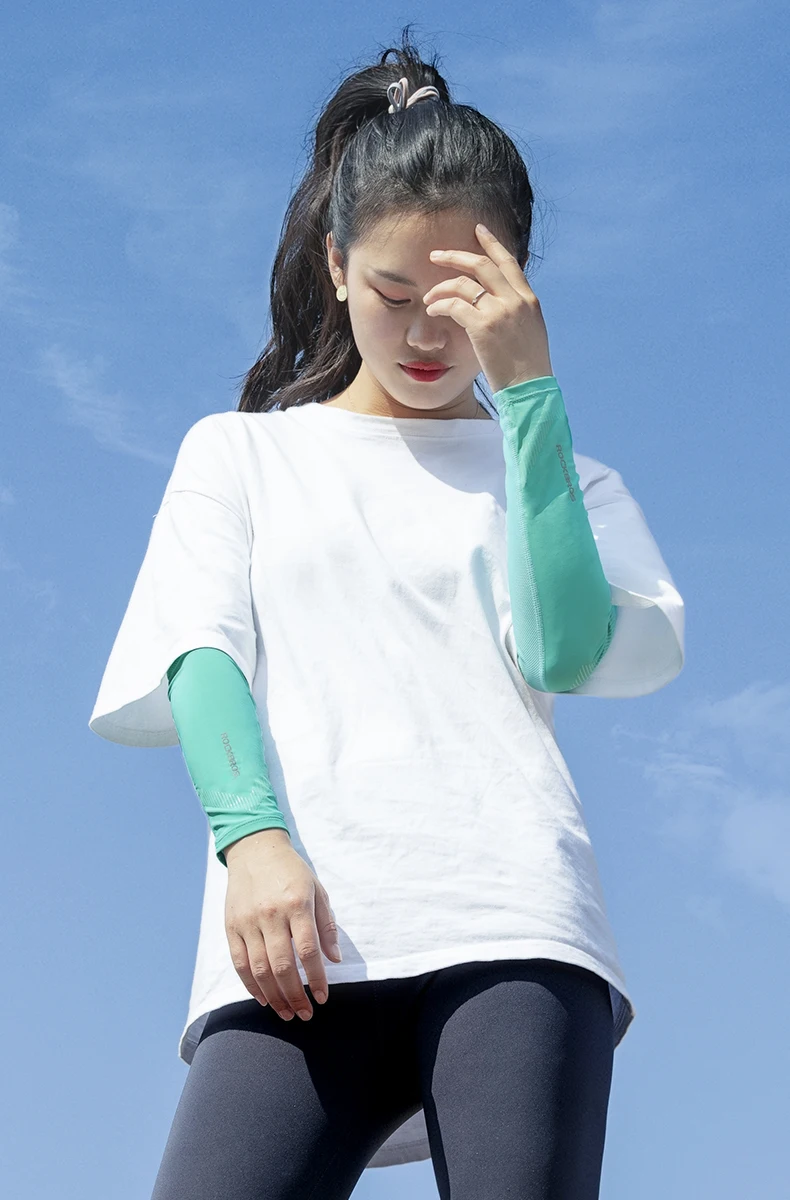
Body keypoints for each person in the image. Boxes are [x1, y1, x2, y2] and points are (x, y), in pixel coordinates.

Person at [88, 26, 685, 1200]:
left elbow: (563, 650)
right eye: (392, 292)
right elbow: (201, 653)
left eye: (458, 303)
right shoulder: (242, 455)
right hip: (296, 936)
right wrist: (254, 842)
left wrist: (529, 397)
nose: (422, 336)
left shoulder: (572, 483)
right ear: (335, 266)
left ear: (514, 287)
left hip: (517, 928)